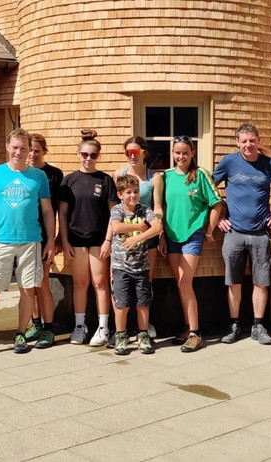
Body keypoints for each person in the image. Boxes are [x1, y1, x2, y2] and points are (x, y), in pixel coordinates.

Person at [0, 128, 55, 359]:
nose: (19, 152)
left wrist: (51, 240)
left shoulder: (38, 176)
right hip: (1, 241)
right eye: (15, 147)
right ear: (7, 147)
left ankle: (20, 333)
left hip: (31, 242)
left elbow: (47, 211)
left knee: (28, 290)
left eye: (23, 148)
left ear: (29, 150)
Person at [213, 123, 271, 345]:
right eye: (243, 141)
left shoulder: (270, 164)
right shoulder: (228, 162)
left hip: (261, 232)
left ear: (258, 141)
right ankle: (234, 325)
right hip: (233, 231)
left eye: (252, 141)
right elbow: (210, 188)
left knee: (261, 282)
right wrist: (219, 216)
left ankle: (258, 325)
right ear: (237, 142)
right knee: (233, 281)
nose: (248, 145)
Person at [153, 135, 222, 352]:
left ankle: (195, 333)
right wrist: (161, 236)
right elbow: (160, 209)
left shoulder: (201, 174)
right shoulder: (166, 177)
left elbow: (217, 204)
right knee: (180, 284)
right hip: (171, 236)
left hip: (192, 235)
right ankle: (187, 327)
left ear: (192, 153)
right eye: (177, 152)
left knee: (185, 282)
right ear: (172, 153)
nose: (181, 156)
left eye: (185, 152)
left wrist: (208, 231)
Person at [58, 130, 118, 347]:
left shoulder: (105, 180)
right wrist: (64, 240)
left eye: (93, 155)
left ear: (98, 156)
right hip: (76, 239)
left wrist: (108, 240)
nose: (88, 159)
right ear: (78, 154)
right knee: (80, 283)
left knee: (100, 283)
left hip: (99, 240)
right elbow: (62, 213)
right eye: (84, 154)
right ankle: (79, 326)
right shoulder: (69, 180)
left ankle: (103, 327)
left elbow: (114, 213)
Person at [108, 174, 163, 355]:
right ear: (120, 194)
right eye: (129, 192)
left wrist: (138, 238)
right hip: (120, 267)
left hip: (141, 267)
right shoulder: (117, 210)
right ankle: (121, 336)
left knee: (143, 304)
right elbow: (116, 227)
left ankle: (143, 335)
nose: (133, 195)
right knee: (122, 305)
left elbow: (157, 227)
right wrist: (139, 227)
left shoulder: (145, 210)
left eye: (136, 191)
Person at [111, 136, 160, 339]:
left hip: (147, 231)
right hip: (123, 240)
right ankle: (120, 332)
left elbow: (158, 207)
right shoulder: (119, 174)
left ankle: (144, 328)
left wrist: (149, 228)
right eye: (128, 152)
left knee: (145, 283)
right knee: (120, 287)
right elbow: (114, 215)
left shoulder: (154, 176)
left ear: (144, 153)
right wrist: (108, 239)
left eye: (136, 152)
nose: (132, 156)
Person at [22, 133, 64, 349]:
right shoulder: (22, 172)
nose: (32, 154)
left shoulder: (54, 175)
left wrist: (57, 238)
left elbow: (58, 210)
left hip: (44, 237)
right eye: (29, 150)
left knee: (43, 281)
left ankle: (49, 328)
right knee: (28, 284)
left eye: (36, 150)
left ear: (44, 151)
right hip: (24, 237)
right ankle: (35, 323)